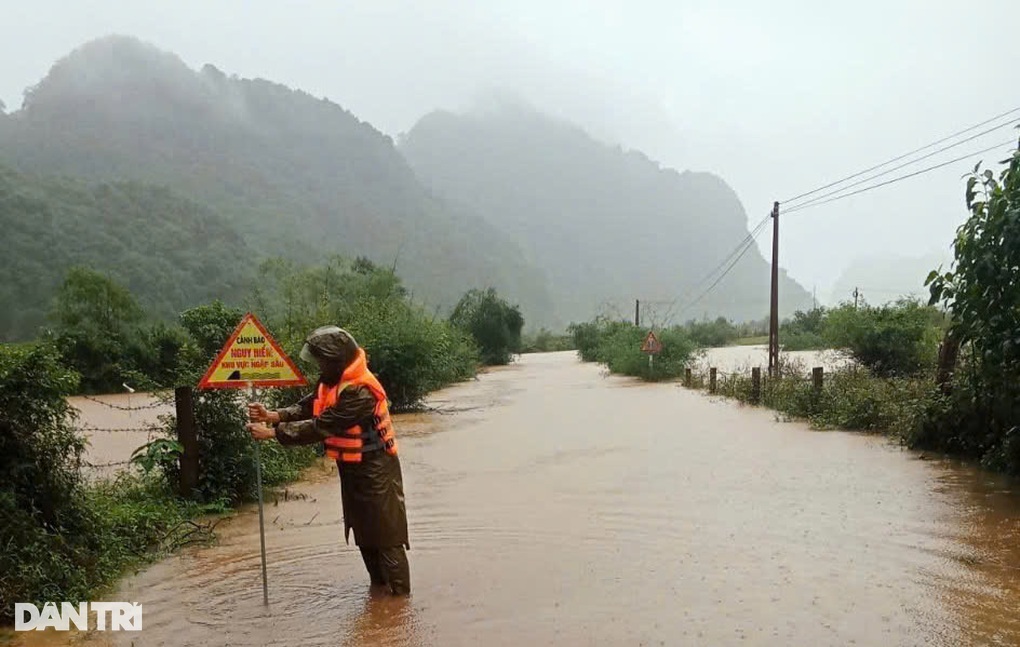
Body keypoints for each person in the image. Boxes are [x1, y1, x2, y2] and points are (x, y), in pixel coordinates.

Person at [246, 325, 410, 595]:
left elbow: (323, 425)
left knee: (387, 536)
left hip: (377, 470)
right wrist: (274, 415)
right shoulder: (330, 381)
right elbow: (310, 405)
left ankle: (400, 606)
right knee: (364, 535)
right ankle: (379, 597)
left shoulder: (360, 392)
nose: (319, 365)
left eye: (323, 360)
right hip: (352, 471)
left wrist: (272, 433)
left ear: (337, 360)